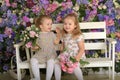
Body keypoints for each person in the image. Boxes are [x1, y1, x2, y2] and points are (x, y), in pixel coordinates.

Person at [54, 13, 85, 80]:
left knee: (75, 67)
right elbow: (63, 46)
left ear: (75, 26)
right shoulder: (64, 35)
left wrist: (77, 58)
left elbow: (82, 49)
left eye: (70, 24)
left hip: (76, 56)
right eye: (65, 24)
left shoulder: (78, 35)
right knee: (56, 64)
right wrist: (61, 50)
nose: (67, 26)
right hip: (66, 55)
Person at [30, 15, 61, 80]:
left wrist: (58, 34)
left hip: (50, 54)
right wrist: (34, 47)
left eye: (51, 24)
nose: (50, 26)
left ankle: (48, 78)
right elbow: (35, 46)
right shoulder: (37, 35)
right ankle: (37, 77)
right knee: (33, 60)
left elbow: (56, 42)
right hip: (41, 54)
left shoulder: (52, 34)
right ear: (41, 26)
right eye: (48, 24)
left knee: (51, 62)